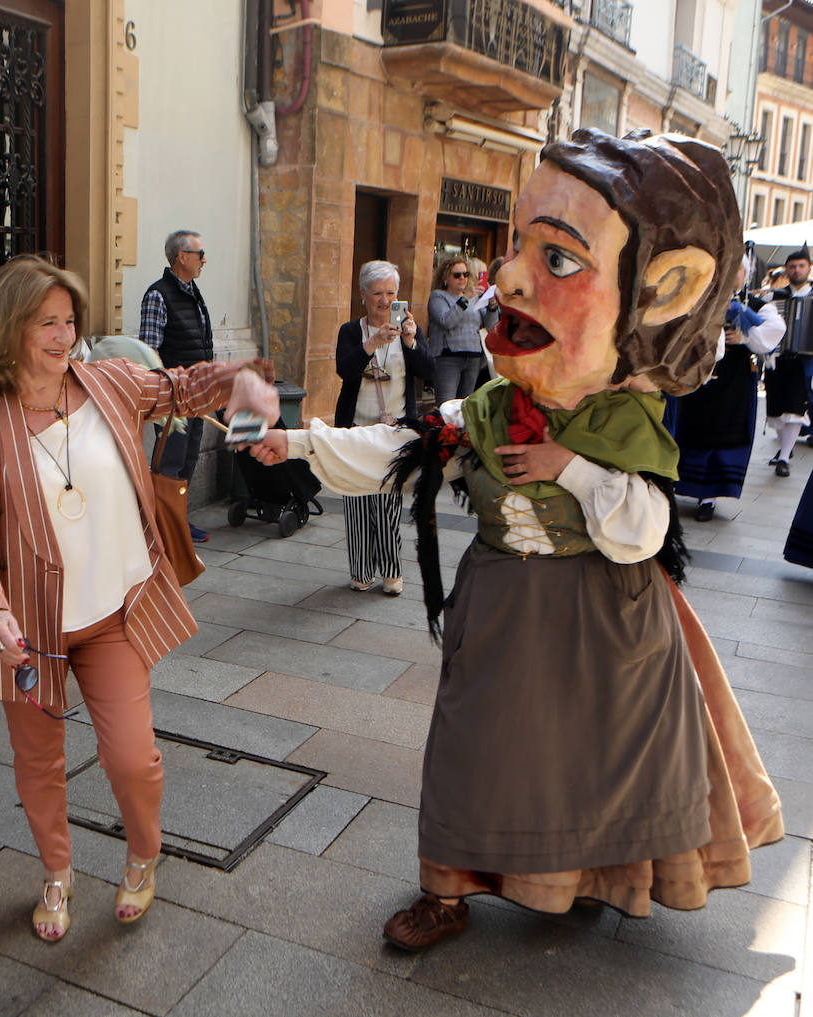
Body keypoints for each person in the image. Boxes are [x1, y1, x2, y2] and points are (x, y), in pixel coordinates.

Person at [246, 129, 783, 952]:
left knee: (590, 761)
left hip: (610, 617)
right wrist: (299, 443)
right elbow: (400, 446)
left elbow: (644, 530)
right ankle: (446, 892)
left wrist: (571, 465)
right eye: (518, 248)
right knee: (470, 748)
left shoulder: (625, 417)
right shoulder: (489, 408)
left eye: (557, 258)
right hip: (501, 606)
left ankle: (583, 877)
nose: (506, 280)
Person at [0, 255, 276, 944]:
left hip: (111, 614)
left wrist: (238, 378)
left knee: (132, 756)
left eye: (69, 321)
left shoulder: (107, 380)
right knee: (39, 760)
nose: (64, 336)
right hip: (27, 626)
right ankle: (56, 872)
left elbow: (179, 386)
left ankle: (143, 855)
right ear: (8, 327)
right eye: (46, 323)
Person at [333, 261, 433, 595]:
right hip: (356, 429)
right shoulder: (351, 331)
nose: (385, 300)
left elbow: (428, 370)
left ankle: (391, 572)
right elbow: (345, 371)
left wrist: (412, 341)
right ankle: (361, 571)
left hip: (395, 431)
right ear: (363, 295)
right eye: (377, 293)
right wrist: (373, 342)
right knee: (357, 500)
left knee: (389, 502)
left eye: (391, 293)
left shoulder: (408, 330)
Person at [667, 256, 784, 520]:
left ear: (745, 273)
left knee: (724, 433)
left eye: (737, 269)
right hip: (700, 375)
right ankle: (681, 485)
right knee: (692, 428)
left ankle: (708, 497)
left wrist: (745, 334)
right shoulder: (699, 299)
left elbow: (772, 334)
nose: (732, 274)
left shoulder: (756, 304)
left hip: (735, 379)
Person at [138, 229, 214, 543]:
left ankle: (177, 521)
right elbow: (149, 354)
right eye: (200, 254)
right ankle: (163, 527)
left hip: (196, 395)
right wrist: (164, 396)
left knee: (188, 459)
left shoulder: (192, 292)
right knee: (170, 461)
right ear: (182, 257)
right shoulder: (158, 295)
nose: (204, 260)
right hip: (173, 399)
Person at [765, 247, 813, 475]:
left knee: (796, 406)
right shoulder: (776, 296)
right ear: (786, 270)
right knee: (776, 405)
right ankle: (786, 448)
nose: (797, 270)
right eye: (792, 267)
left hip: (805, 359)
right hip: (778, 355)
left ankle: (784, 457)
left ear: (809, 268)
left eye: (801, 266)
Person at [426, 254, 493, 404]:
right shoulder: (438, 296)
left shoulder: (473, 298)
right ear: (445, 278)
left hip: (473, 356)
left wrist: (492, 305)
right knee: (446, 405)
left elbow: (490, 325)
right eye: (457, 275)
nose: (462, 278)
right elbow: (446, 321)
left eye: (465, 274)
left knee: (465, 405)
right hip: (448, 357)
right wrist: (464, 300)